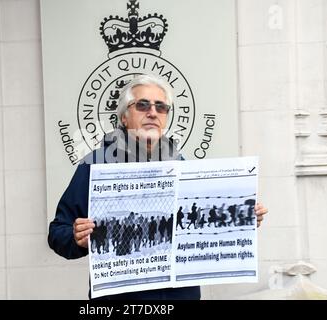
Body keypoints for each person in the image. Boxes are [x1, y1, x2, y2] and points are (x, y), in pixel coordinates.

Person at [48, 74, 268, 300]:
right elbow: (57, 232)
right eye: (142, 105)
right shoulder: (95, 165)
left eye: (161, 107)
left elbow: (201, 221)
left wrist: (241, 216)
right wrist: (75, 238)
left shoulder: (181, 165)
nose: (152, 112)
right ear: (124, 117)